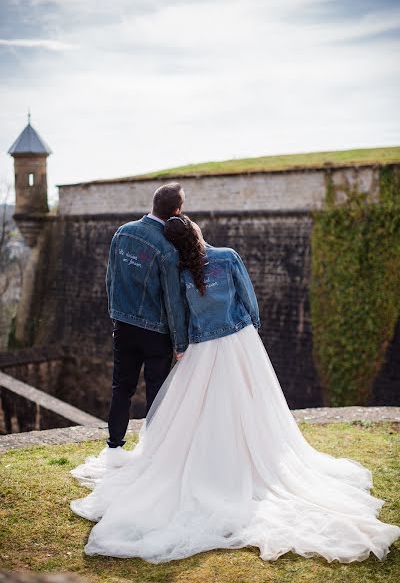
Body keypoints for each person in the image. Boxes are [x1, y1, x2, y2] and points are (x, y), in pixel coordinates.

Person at [70, 215, 400, 564]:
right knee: (252, 406)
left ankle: (213, 463)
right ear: (196, 232)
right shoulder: (228, 256)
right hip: (239, 341)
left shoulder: (181, 273)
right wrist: (251, 330)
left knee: (203, 412)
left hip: (201, 348)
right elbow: (248, 299)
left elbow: (180, 316)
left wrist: (181, 346)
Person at [101, 182, 188, 466]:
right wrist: (180, 342)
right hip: (156, 332)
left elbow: (110, 279)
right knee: (157, 392)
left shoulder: (122, 233)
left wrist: (115, 314)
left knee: (121, 388)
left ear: (153, 205)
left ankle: (114, 447)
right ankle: (153, 453)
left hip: (123, 326)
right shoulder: (167, 248)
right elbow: (173, 300)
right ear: (176, 211)